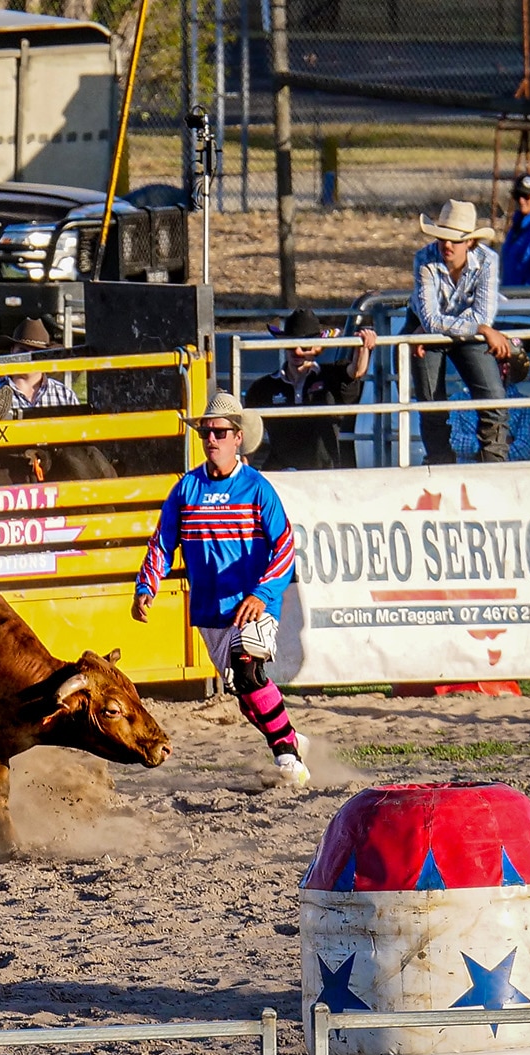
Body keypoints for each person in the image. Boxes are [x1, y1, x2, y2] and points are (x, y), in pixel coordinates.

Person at [132, 392, 308, 787]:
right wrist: (147, 585)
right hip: (210, 610)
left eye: (219, 432)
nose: (211, 438)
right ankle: (291, 738)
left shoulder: (257, 489)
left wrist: (262, 594)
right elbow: (163, 542)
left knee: (247, 673)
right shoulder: (186, 490)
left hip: (253, 604)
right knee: (243, 691)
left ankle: (288, 756)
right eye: (206, 432)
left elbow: (284, 545)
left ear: (237, 438)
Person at [409, 200, 514, 464]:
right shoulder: (424, 259)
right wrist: (480, 328)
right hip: (457, 330)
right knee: (431, 402)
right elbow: (434, 320)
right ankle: (439, 462)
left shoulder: (488, 260)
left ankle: (494, 463)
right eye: (443, 238)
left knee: (493, 399)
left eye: (455, 240)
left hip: (460, 331)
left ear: (470, 243)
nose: (447, 245)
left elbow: (482, 315)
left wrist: (473, 325)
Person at [244, 308, 377, 470]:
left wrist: (363, 348)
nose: (297, 352)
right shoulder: (262, 388)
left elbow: (356, 371)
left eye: (305, 347)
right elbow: (249, 438)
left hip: (322, 474)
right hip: (280, 473)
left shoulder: (332, 377)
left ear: (317, 348)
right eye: (291, 345)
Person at [0, 319, 78, 412]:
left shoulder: (65, 396)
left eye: (37, 352)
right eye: (22, 351)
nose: (29, 358)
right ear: (12, 351)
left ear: (46, 355)